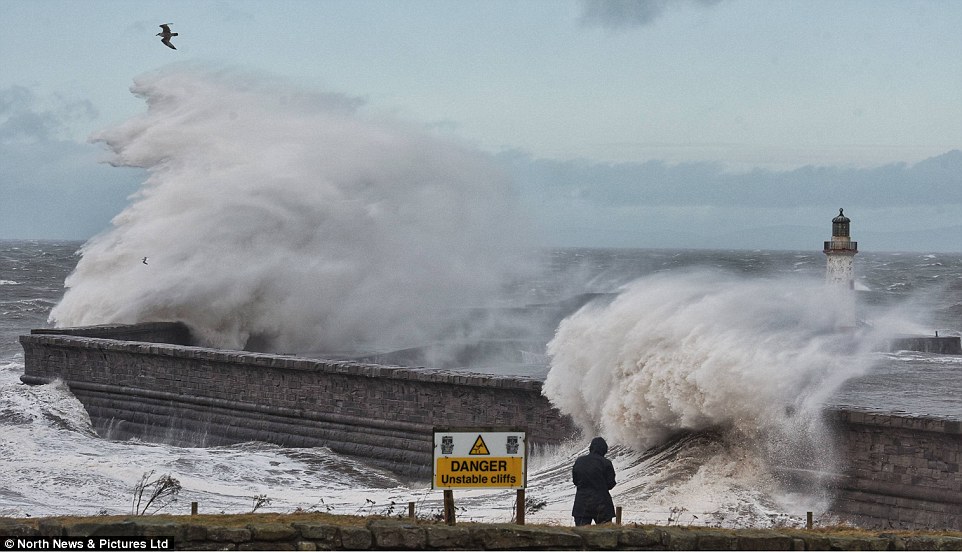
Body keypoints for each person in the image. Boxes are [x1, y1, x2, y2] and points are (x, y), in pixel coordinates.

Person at [571, 436, 616, 526]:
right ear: (604, 449)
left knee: (581, 535)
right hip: (602, 504)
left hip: (582, 502)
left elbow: (575, 481)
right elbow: (610, 483)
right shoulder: (606, 463)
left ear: (591, 448)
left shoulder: (579, 461)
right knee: (605, 536)